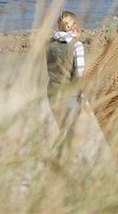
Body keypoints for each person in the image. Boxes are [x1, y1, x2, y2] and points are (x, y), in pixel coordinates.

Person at [45, 10, 85, 144]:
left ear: (58, 24)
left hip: (52, 92)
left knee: (64, 129)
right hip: (70, 95)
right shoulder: (77, 46)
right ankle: (57, 160)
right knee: (69, 133)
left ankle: (58, 159)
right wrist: (85, 99)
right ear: (74, 26)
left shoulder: (48, 44)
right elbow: (80, 75)